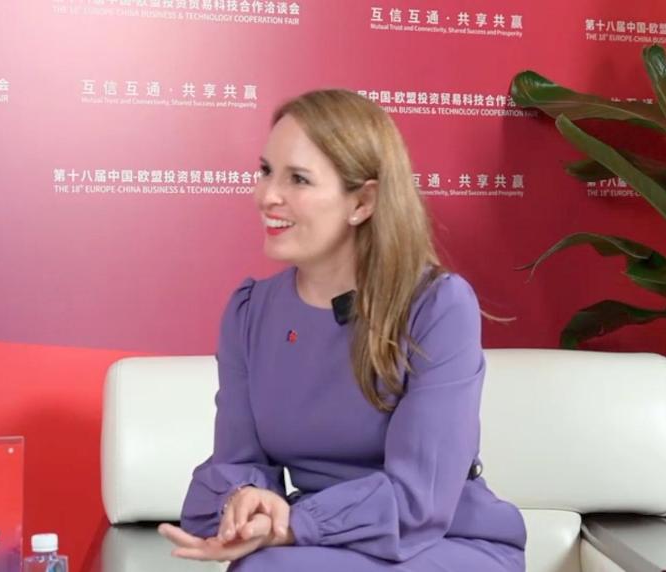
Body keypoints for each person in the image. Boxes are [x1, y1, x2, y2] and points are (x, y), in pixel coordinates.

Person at [158, 89, 526, 571]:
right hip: (318, 543)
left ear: (362, 202)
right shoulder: (250, 313)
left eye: (298, 179)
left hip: (442, 541)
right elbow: (235, 460)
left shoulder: (438, 306)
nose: (267, 196)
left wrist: (294, 524)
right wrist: (245, 501)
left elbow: (421, 495)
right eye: (266, 171)